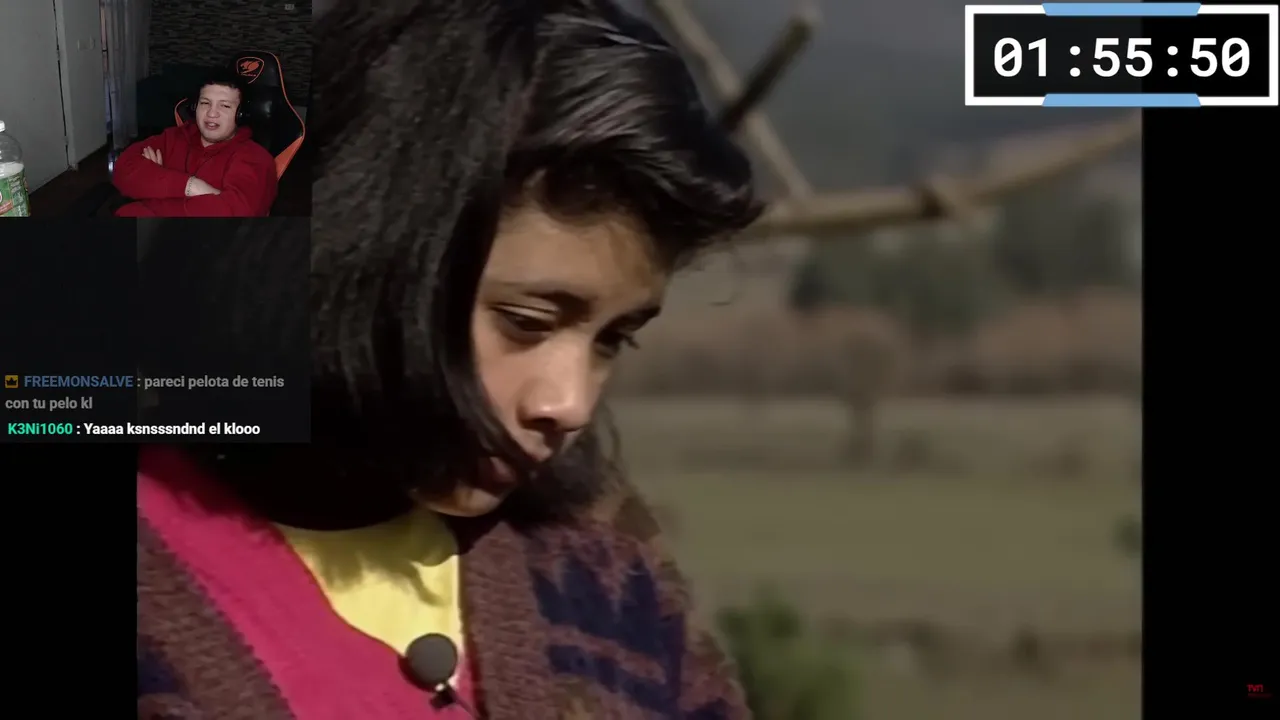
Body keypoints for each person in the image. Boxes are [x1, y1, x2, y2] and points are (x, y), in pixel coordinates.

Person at [136, 0, 762, 718]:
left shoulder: (601, 571)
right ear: (362, 261)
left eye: (612, 339)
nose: (569, 403)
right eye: (525, 323)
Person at [112, 68, 277, 217]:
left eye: (225, 106)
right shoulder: (174, 137)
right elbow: (122, 169)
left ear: (241, 115)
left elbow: (236, 214)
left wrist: (155, 189)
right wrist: (191, 186)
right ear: (194, 107)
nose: (212, 113)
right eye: (205, 103)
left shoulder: (255, 158)